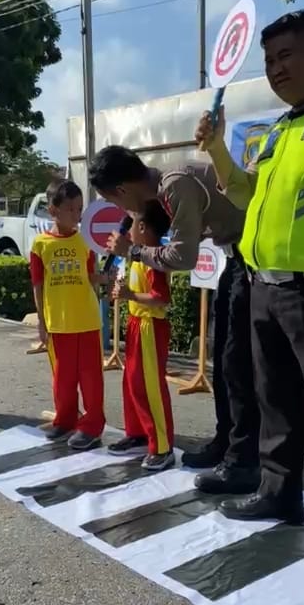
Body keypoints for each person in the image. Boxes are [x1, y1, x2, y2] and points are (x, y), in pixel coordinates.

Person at [195, 8, 304, 568]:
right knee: (278, 402)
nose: (275, 68)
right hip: (266, 286)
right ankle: (279, 493)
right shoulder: (279, 129)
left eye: (287, 55)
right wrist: (218, 148)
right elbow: (247, 195)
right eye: (269, 60)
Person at [89, 146, 261, 495]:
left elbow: (182, 257)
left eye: (115, 202)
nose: (123, 212)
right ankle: (226, 443)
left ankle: (244, 461)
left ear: (122, 190)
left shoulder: (174, 184)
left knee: (237, 364)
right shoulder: (164, 188)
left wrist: (133, 251)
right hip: (237, 259)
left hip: (254, 260)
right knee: (227, 364)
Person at [30, 179, 111, 452]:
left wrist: (105, 278)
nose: (77, 216)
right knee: (62, 378)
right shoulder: (40, 245)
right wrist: (42, 322)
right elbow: (38, 285)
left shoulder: (86, 241)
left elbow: (90, 276)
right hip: (58, 324)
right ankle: (65, 419)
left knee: (91, 378)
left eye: (80, 209)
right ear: (53, 211)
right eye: (71, 210)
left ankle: (91, 426)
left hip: (87, 321)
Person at [108, 201, 175, 471]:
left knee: (150, 386)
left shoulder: (154, 258)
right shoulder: (136, 256)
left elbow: (161, 298)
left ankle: (162, 446)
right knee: (132, 381)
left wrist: (130, 295)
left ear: (144, 228)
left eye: (132, 223)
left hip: (150, 326)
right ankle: (137, 432)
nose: (128, 229)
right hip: (137, 323)